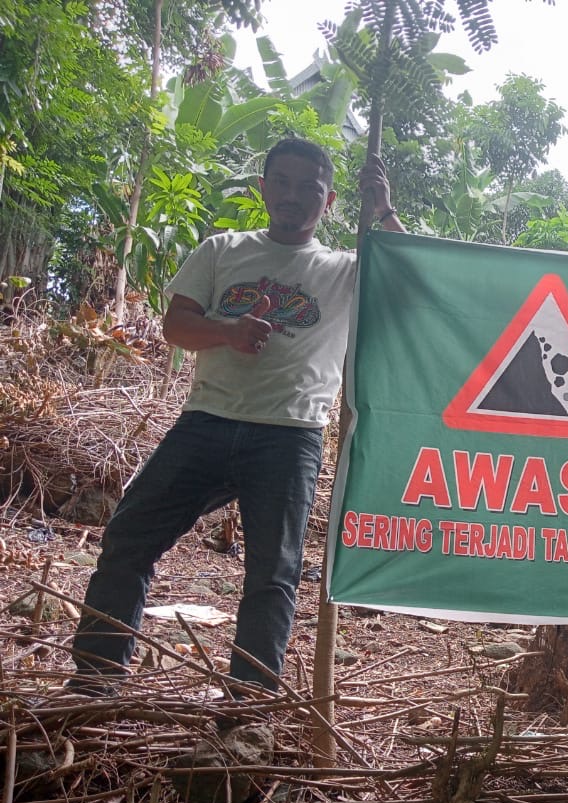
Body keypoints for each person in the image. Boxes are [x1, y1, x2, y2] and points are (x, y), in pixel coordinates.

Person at [68, 137, 405, 697]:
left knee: (273, 574)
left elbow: (410, 276)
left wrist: (384, 209)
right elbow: (176, 327)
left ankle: (248, 705)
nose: (293, 196)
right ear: (263, 188)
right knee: (129, 536)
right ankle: (96, 680)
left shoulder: (346, 269)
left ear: (330, 201)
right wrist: (228, 331)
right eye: (283, 182)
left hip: (290, 435)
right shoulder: (223, 251)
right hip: (207, 421)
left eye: (309, 188)